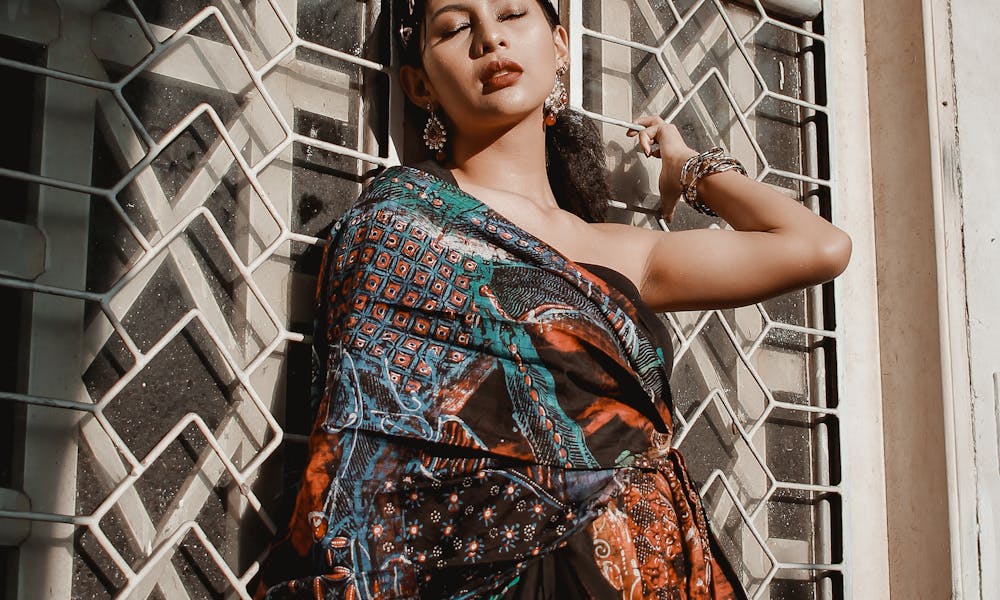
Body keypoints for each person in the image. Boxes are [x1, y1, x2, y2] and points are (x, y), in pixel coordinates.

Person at [255, 0, 851, 598]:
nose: (490, 38)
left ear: (561, 45)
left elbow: (818, 247)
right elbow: (367, 464)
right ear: (418, 83)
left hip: (652, 563)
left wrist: (689, 166)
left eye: (513, 13)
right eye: (456, 27)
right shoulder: (398, 228)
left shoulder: (618, 250)